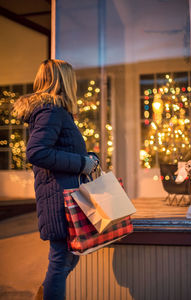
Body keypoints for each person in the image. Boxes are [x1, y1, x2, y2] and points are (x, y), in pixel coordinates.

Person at [13, 59, 99, 300]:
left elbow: (61, 149)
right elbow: (37, 152)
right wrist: (81, 163)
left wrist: (88, 158)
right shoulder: (51, 111)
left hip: (66, 196)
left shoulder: (56, 112)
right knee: (61, 262)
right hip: (59, 199)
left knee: (67, 260)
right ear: (63, 80)